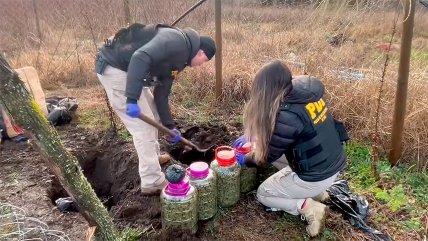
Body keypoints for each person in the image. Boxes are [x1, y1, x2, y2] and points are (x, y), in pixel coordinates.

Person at [95, 23, 216, 195]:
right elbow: (139, 57)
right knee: (143, 128)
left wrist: (169, 126)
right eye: (203, 61)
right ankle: (152, 180)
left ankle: (153, 158)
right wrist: (131, 98)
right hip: (115, 68)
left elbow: (162, 94)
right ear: (201, 52)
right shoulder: (177, 42)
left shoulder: (181, 59)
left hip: (132, 71)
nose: (199, 65)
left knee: (154, 114)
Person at [233, 60, 347, 237]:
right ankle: (318, 193)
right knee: (271, 150)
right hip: (331, 162)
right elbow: (284, 138)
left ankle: (310, 208)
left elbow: (266, 157)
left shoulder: (287, 116)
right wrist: (253, 136)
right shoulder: (304, 94)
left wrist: (244, 159)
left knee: (264, 194)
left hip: (316, 175)